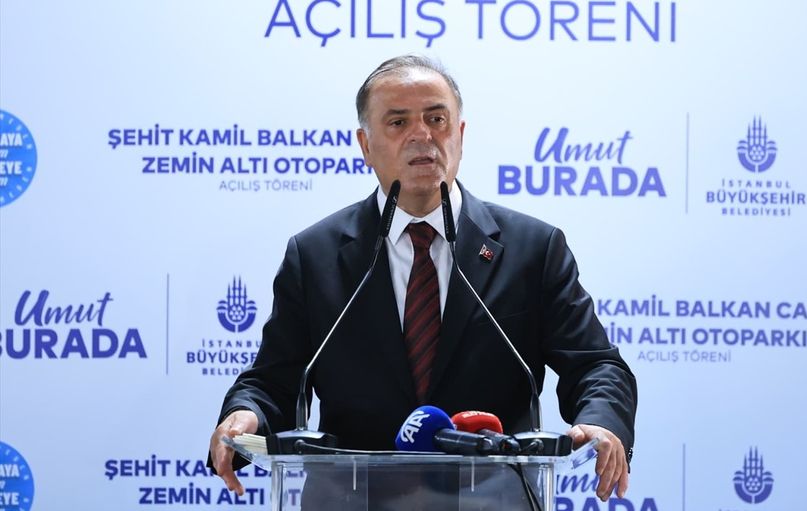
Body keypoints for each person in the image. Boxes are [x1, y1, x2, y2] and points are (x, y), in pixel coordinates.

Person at [209, 55, 637, 504]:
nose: (422, 135)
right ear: (365, 144)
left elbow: (596, 365)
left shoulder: (533, 248)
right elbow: (274, 381)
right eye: (398, 122)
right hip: (355, 500)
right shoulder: (315, 255)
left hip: (490, 501)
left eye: (437, 119)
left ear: (460, 135)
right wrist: (245, 413)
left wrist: (601, 420)